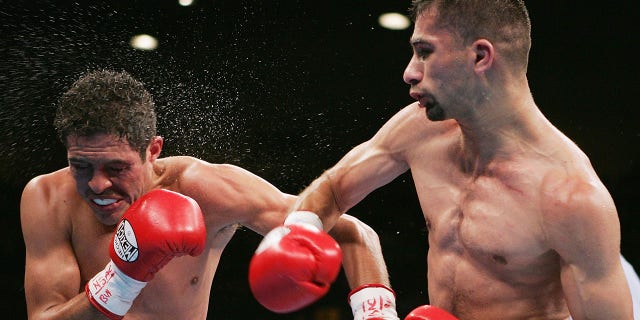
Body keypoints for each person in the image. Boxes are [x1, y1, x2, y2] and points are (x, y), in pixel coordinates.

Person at [282, 0, 634, 319]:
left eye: (424, 52)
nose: (409, 72)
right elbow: (333, 188)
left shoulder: (569, 199)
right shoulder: (419, 129)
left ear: (481, 57)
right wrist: (300, 231)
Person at [20, 69, 400, 320]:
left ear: (152, 150)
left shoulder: (203, 189)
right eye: (81, 166)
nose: (97, 184)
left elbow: (353, 232)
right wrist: (119, 281)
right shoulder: (48, 199)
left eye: (116, 168)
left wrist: (376, 313)